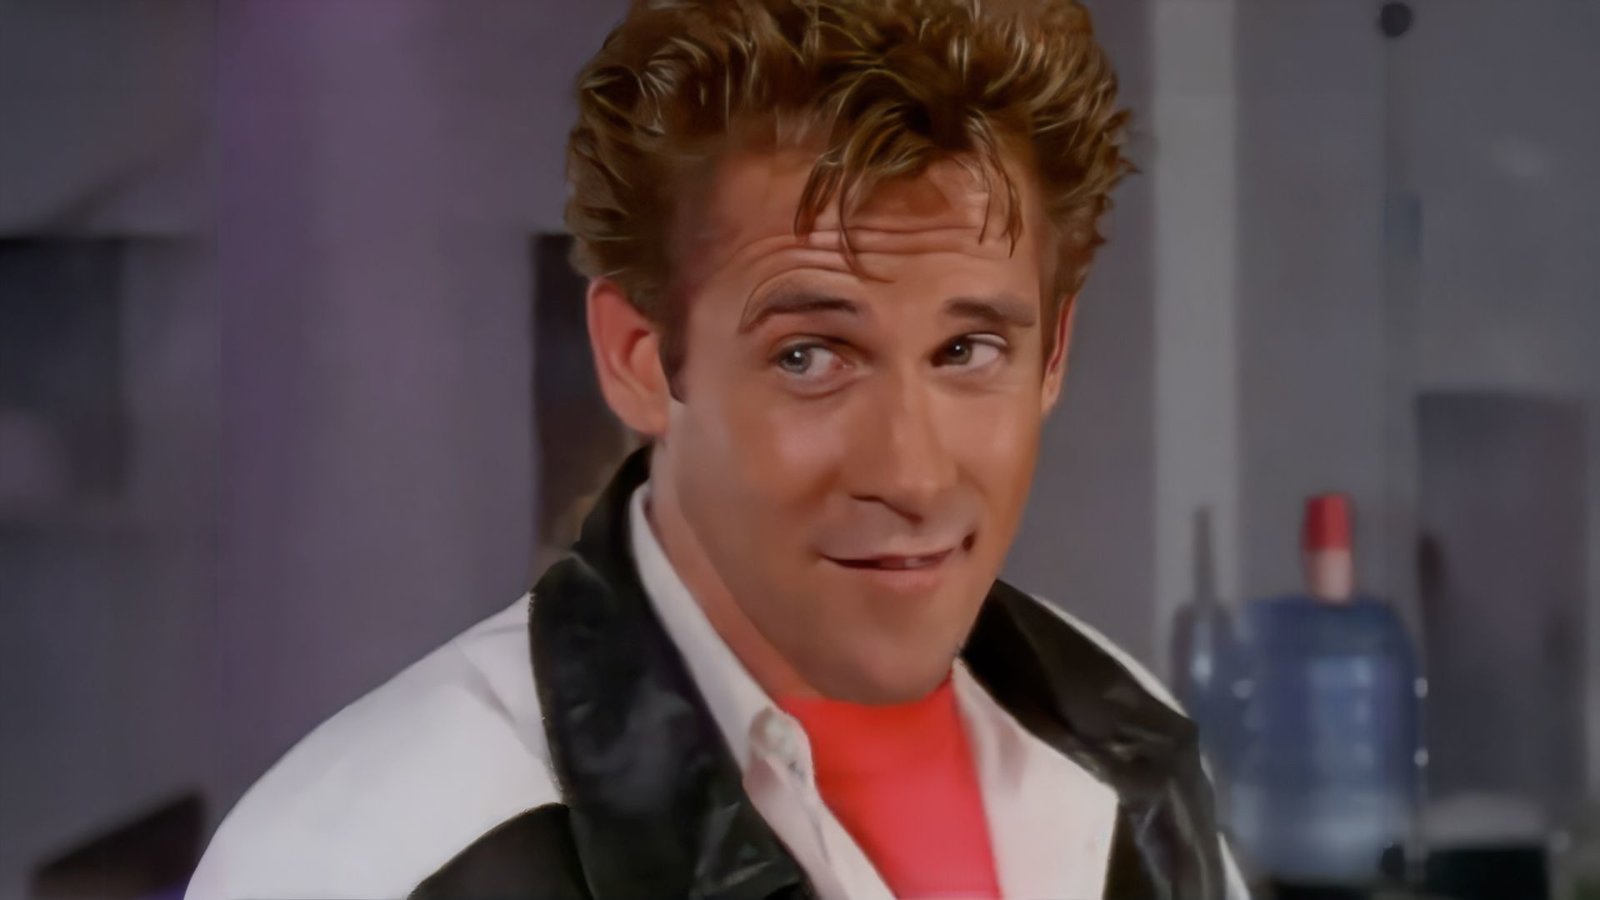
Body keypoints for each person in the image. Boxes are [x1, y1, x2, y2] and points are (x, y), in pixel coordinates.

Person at [189, 0, 1249, 897]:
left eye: (967, 351)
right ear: (640, 360)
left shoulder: (1122, 739)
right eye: (809, 357)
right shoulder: (374, 858)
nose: (913, 474)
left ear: (1053, 353)